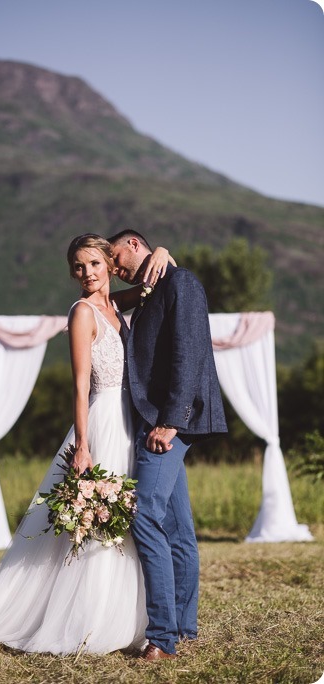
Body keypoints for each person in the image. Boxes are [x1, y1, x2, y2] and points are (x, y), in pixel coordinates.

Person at [0, 234, 171, 655]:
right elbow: (80, 387)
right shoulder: (81, 313)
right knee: (93, 524)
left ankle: (125, 615)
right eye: (78, 267)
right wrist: (82, 446)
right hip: (100, 423)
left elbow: (156, 280)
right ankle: (86, 619)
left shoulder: (114, 305)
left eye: (94, 264)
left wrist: (164, 251)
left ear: (110, 265)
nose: (87, 273)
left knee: (125, 523)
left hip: (129, 423)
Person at [107, 229, 228, 661]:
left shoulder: (182, 284)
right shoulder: (150, 289)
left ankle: (161, 637)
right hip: (155, 420)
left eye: (116, 255)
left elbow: (188, 353)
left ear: (135, 244)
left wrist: (171, 422)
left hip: (169, 422)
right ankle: (183, 627)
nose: (114, 266)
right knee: (177, 528)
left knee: (143, 514)